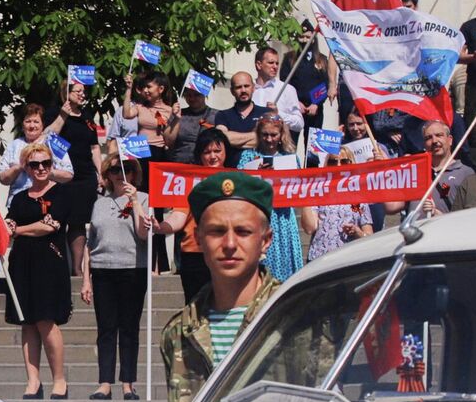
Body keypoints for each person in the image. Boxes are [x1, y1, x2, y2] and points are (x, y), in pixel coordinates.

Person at [160, 171, 281, 402]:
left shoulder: (291, 315)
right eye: (216, 231)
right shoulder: (178, 333)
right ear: (198, 239)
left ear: (265, 240)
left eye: (243, 231)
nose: (229, 244)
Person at [4, 142, 73, 399]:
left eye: (46, 163)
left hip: (49, 263)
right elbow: (9, 219)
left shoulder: (62, 193)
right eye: (35, 164)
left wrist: (18, 229)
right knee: (28, 322)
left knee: (46, 320)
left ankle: (59, 380)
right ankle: (33, 380)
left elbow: (50, 225)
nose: (41, 168)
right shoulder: (20, 197)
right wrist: (9, 224)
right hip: (22, 263)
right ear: (27, 168)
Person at [81, 153, 152, 400]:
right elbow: (90, 244)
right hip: (103, 269)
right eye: (114, 171)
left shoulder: (143, 198)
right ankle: (104, 383)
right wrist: (86, 279)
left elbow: (144, 234)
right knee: (106, 328)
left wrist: (135, 202)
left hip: (132, 268)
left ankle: (128, 383)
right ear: (107, 176)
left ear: (134, 173)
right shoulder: (99, 203)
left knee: (129, 328)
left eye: (126, 170)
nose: (120, 175)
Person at [155, 129, 233, 302]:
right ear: (199, 155)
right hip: (195, 254)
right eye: (207, 152)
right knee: (195, 310)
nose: (213, 156)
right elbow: (178, 217)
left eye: (217, 151)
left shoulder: (235, 180)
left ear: (226, 151)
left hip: (227, 251)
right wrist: (159, 227)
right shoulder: (189, 181)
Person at [244, 118, 317, 282]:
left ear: (281, 135)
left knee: (286, 268)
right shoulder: (248, 156)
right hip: (259, 217)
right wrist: (257, 174)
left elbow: (298, 188)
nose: (269, 139)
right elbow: (241, 185)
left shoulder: (290, 158)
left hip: (283, 218)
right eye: (265, 135)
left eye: (273, 135)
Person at [47, 79, 103, 279]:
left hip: (85, 175)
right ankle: (57, 265)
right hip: (61, 174)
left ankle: (77, 268)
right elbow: (48, 135)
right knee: (58, 220)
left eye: (83, 91)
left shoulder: (87, 117)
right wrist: (64, 113)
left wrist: (100, 173)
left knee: (79, 221)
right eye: (78, 91)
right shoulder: (54, 112)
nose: (82, 94)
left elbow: (94, 147)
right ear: (66, 92)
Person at [387, 120, 471, 216]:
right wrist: (383, 170)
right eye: (428, 138)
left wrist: (436, 214)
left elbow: (469, 218)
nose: (434, 141)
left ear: (450, 140)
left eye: (439, 135)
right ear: (424, 144)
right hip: (415, 230)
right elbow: (392, 206)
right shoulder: (415, 172)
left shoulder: (465, 173)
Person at [307, 148, 376, 261]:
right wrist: (306, 196)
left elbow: (368, 235)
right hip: (319, 259)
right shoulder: (319, 192)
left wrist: (357, 231)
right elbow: (310, 228)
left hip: (347, 260)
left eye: (344, 162)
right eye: (333, 162)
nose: (338, 166)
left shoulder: (356, 199)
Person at [0, 105, 73, 190]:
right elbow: (2, 179)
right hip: (18, 199)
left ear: (43, 125)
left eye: (36, 122)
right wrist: (18, 168)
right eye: (28, 121)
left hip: (47, 198)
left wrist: (49, 173)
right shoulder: (13, 145)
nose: (32, 125)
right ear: (22, 125)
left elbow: (69, 174)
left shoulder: (54, 141)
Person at [252, 46, 305, 139]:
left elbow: (299, 124)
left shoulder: (287, 89)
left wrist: (278, 114)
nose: (275, 66)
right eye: (271, 63)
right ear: (259, 65)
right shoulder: (248, 89)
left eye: (277, 63)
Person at [118, 72, 174, 159]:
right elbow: (126, 114)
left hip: (158, 152)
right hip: (140, 149)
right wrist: (129, 89)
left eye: (148, 87)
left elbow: (170, 137)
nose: (145, 90)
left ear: (161, 89)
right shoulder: (140, 106)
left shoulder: (169, 111)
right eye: (144, 87)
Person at [214, 72, 266, 148]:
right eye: (238, 87)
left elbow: (269, 140)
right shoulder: (223, 115)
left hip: (261, 160)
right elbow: (222, 139)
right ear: (232, 91)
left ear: (253, 88)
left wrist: (235, 141)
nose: (243, 90)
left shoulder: (266, 113)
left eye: (246, 86)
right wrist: (256, 135)